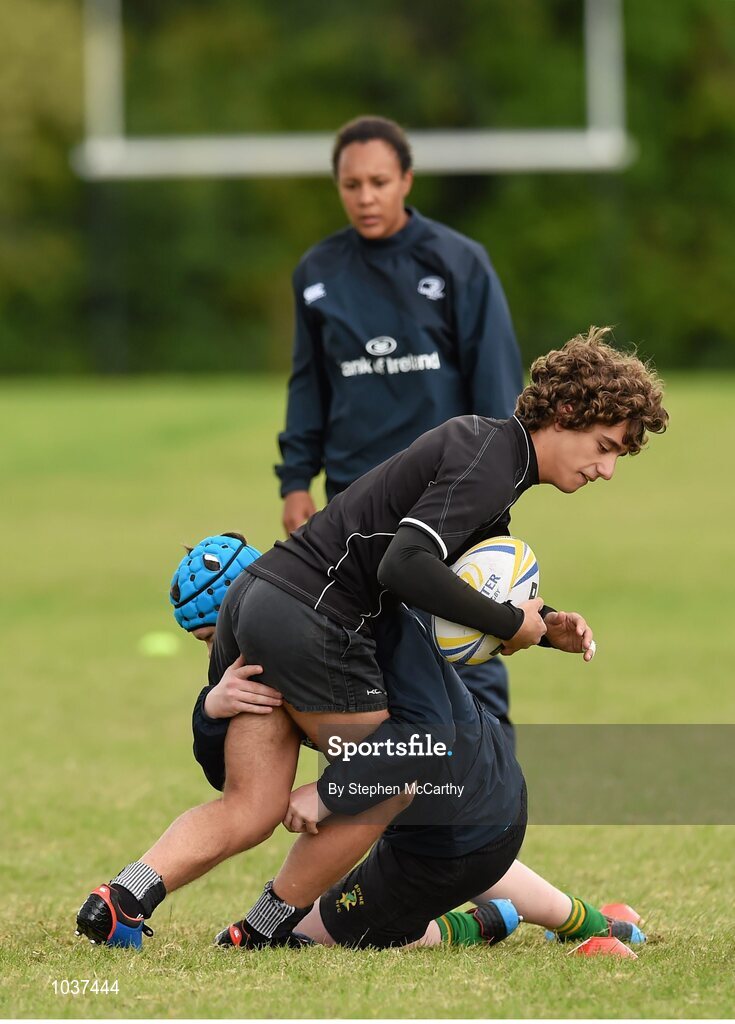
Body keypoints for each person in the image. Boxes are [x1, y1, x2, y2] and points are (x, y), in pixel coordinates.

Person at [75, 328, 665, 948]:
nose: (606, 469)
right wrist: (510, 623)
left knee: (249, 805)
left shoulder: (485, 457)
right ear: (565, 413)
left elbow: (457, 588)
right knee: (389, 778)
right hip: (321, 616)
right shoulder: (492, 457)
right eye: (604, 447)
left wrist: (543, 627)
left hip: (261, 593)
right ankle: (263, 930)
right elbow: (405, 567)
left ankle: (120, 901)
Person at [277, 114, 522, 733]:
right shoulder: (317, 273)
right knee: (377, 666)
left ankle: (489, 805)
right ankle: (404, 820)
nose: (365, 198)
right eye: (351, 184)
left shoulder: (460, 263)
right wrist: (296, 479)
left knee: (468, 649)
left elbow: (494, 384)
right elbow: (310, 383)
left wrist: (498, 490)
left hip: (448, 498)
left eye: (379, 182)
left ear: (406, 180)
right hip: (355, 503)